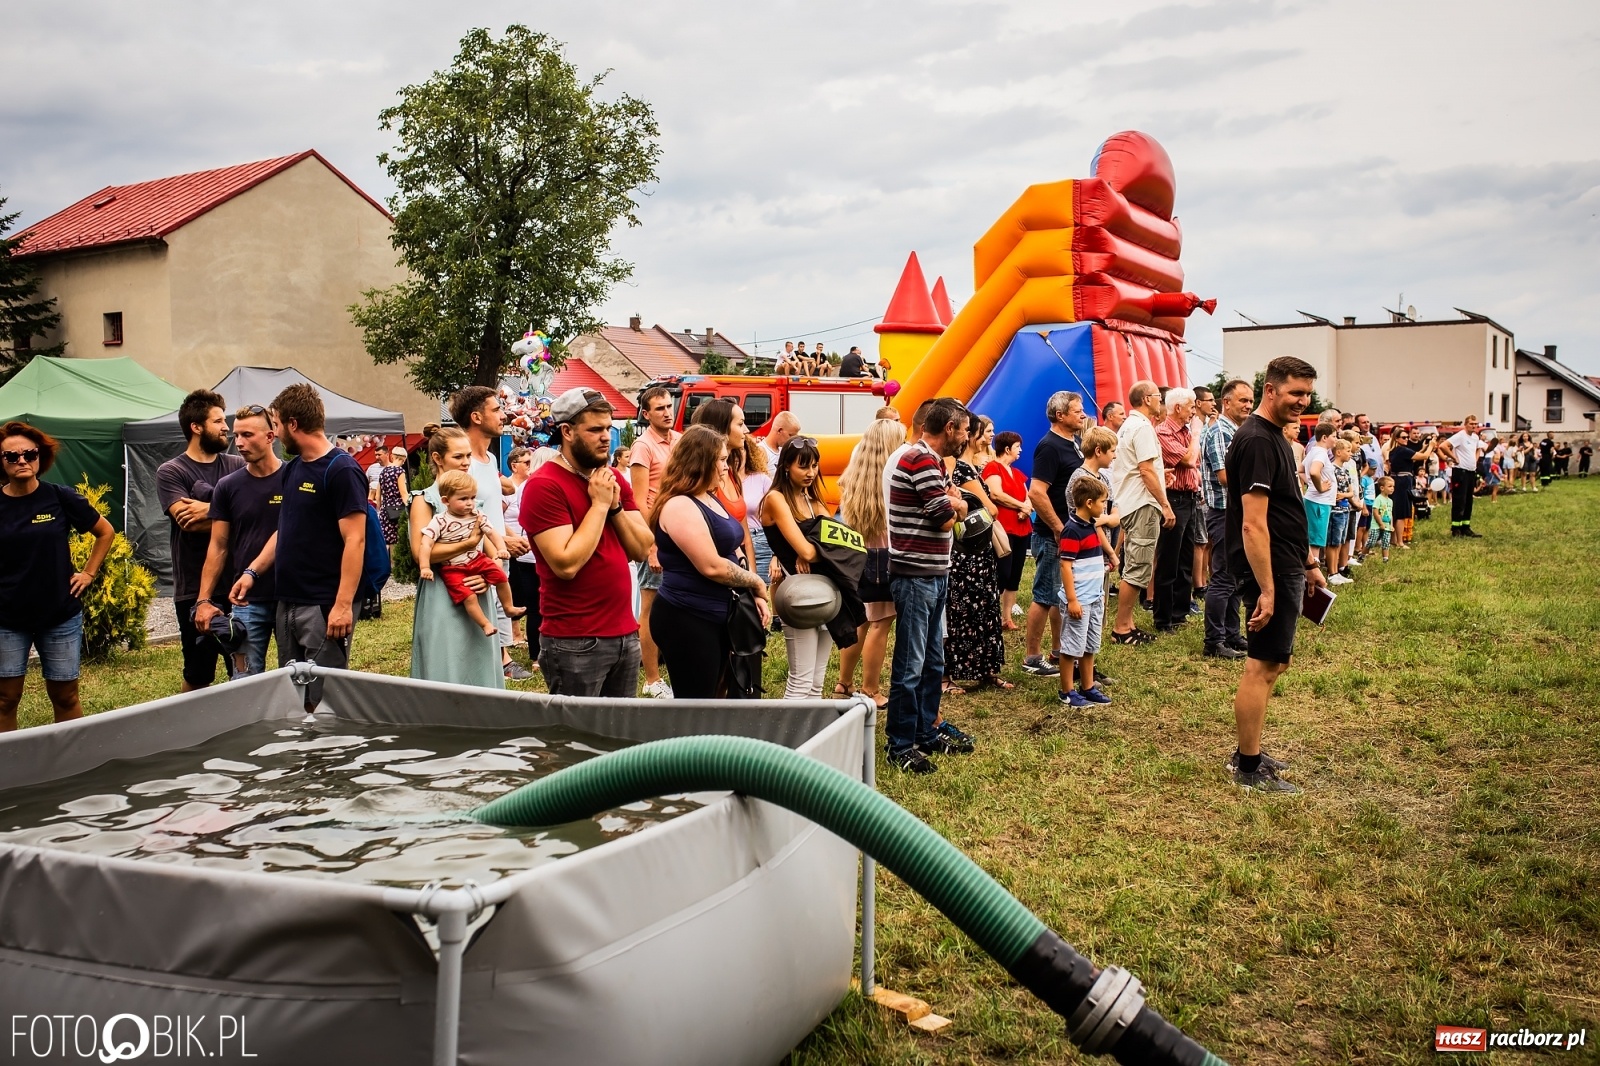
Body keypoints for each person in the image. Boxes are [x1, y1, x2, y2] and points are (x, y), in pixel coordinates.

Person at [1226, 356, 1326, 793]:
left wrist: (1309, 564)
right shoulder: (1258, 442)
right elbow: (1253, 523)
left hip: (1287, 563)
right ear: (1271, 390)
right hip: (1270, 569)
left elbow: (1287, 510)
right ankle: (1248, 767)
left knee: (1275, 661)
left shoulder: (1276, 438)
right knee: (1262, 665)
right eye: (1294, 394)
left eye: (1307, 395)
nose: (1302, 403)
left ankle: (1251, 751)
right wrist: (1267, 588)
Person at [236, 384, 368, 712]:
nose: (275, 434)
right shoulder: (293, 469)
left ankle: (330, 760)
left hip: (323, 606)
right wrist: (253, 571)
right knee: (292, 698)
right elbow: (286, 528)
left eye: (277, 426)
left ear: (293, 424)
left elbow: (356, 540)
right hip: (288, 601)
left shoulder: (341, 470)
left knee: (326, 700)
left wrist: (342, 605)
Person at [521, 388, 654, 697]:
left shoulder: (612, 479)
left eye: (608, 428)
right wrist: (598, 505)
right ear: (567, 431)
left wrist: (615, 508)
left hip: (625, 632)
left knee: (618, 736)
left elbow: (642, 547)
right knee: (576, 741)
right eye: (595, 429)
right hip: (575, 641)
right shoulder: (544, 486)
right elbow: (566, 564)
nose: (606, 437)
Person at [0, 422, 115, 731]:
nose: (22, 460)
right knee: (5, 699)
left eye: (29, 454)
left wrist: (89, 572)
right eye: (11, 456)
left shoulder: (59, 497)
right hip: (7, 619)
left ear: (40, 457)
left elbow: (105, 532)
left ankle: (70, 768)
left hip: (60, 615)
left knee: (65, 697)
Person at [652, 425, 770, 698]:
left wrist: (752, 595)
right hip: (688, 617)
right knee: (698, 705)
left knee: (720, 699)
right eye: (721, 460)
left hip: (720, 614)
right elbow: (711, 566)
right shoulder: (679, 505)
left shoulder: (709, 497)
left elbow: (733, 549)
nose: (726, 467)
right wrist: (756, 583)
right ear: (700, 461)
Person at [885, 398, 971, 774]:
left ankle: (924, 732)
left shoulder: (934, 462)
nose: (967, 436)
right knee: (911, 663)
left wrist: (955, 503)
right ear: (949, 428)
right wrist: (954, 505)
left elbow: (955, 506)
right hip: (916, 574)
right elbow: (943, 518)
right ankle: (900, 745)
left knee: (933, 659)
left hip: (933, 571)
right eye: (965, 429)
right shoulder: (919, 460)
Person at [157, 389, 246, 691]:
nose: (226, 427)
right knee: (198, 673)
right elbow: (188, 522)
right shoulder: (172, 471)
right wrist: (236, 511)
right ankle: (187, 735)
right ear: (196, 427)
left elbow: (256, 512)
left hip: (238, 584)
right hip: (195, 590)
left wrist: (211, 509)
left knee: (245, 667)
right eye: (218, 421)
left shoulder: (237, 465)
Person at [402, 428, 504, 688]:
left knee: (479, 660)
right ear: (437, 458)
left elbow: (492, 552)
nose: (467, 462)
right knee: (444, 662)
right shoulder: (424, 500)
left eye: (468, 455)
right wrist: (468, 544)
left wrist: (489, 575)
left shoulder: (472, 501)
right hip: (441, 593)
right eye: (459, 456)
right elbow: (420, 553)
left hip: (476, 590)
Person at [194, 406, 285, 678]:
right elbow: (218, 546)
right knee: (245, 680)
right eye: (236, 436)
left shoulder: (293, 478)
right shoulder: (228, 486)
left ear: (270, 436)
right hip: (247, 601)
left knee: (296, 678)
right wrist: (202, 600)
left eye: (248, 435)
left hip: (290, 597)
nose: (240, 443)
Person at [450, 387, 533, 680]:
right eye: (496, 409)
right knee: (484, 612)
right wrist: (500, 541)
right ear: (476, 417)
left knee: (498, 608)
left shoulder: (490, 460)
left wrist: (509, 534)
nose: (504, 414)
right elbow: (463, 516)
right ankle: (500, 663)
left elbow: (489, 511)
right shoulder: (463, 463)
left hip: (498, 550)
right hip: (477, 555)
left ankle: (502, 662)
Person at [836, 418, 904, 707]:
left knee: (860, 623)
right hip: (884, 555)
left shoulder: (855, 475)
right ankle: (871, 689)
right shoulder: (890, 477)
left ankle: (844, 682)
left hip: (857, 556)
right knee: (881, 623)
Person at [761, 437, 835, 699]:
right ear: (785, 467)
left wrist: (814, 549)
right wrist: (811, 550)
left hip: (826, 591)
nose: (811, 473)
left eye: (814, 466)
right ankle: (789, 740)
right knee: (801, 681)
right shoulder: (775, 498)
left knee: (817, 681)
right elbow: (806, 551)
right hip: (799, 595)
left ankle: (811, 738)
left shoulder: (813, 500)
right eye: (803, 466)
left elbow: (837, 544)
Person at [1021, 391, 1086, 675]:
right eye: (1077, 410)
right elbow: (1036, 492)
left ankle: (1060, 650)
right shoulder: (1049, 446)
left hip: (1071, 533)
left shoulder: (1075, 443)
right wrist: (1059, 529)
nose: (1083, 414)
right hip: (1052, 536)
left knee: (1062, 595)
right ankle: (1032, 658)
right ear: (1060, 415)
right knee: (1044, 596)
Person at [417, 470, 527, 636]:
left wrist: (501, 549)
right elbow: (426, 544)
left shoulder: (477, 515)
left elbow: (492, 533)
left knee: (501, 577)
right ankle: (485, 624)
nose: (470, 503)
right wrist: (425, 567)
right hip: (453, 568)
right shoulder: (439, 521)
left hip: (478, 560)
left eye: (472, 498)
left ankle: (508, 607)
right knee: (469, 597)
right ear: (446, 501)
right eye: (463, 499)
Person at [944, 411, 1007, 691]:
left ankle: (984, 668)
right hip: (969, 554)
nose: (987, 437)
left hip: (976, 551)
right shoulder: (963, 470)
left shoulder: (970, 467)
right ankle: (967, 669)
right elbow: (990, 508)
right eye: (982, 431)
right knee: (971, 610)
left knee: (981, 608)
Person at [1109, 381, 1173, 646]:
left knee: (1137, 564)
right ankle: (1122, 627)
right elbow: (1146, 470)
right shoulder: (1143, 426)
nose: (1161, 401)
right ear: (1147, 399)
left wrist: (1159, 475)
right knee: (1138, 567)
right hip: (1142, 503)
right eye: (1158, 397)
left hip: (1130, 501)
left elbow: (1141, 468)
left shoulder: (1128, 426)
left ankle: (1129, 623)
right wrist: (1165, 504)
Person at [630, 385, 680, 698]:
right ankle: (651, 679)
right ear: (646, 414)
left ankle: (674, 670)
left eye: (668, 406)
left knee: (675, 606)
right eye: (659, 408)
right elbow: (637, 500)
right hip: (656, 535)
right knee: (650, 608)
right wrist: (651, 545)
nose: (666, 411)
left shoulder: (679, 440)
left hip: (680, 530)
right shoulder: (643, 446)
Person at [1199, 378, 1252, 660]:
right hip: (1222, 513)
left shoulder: (1235, 430)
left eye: (1250, 401)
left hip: (1233, 512)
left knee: (1234, 578)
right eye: (1243, 400)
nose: (1248, 405)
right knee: (1222, 578)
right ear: (1226, 402)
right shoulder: (1221, 431)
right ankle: (1214, 642)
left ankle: (1232, 635)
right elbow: (1223, 476)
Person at [1056, 477, 1113, 708]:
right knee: (1071, 647)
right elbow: (1065, 565)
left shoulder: (1091, 526)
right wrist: (1072, 600)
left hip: (1094, 598)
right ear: (1089, 503)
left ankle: (1087, 686)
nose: (1104, 507)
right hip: (1078, 600)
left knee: (1090, 645)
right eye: (1102, 502)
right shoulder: (1071, 530)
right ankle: (1067, 691)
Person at [1152, 387, 1200, 633]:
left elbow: (1194, 463)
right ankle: (1163, 618)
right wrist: (1196, 437)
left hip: (1189, 499)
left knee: (1185, 558)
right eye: (1191, 406)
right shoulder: (1163, 432)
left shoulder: (1185, 432)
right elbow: (1189, 461)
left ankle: (1179, 612)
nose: (1194, 410)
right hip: (1174, 499)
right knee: (1169, 559)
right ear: (1178, 408)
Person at [983, 431, 1033, 630]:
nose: (1020, 450)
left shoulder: (1017, 472)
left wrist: (1025, 507)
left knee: (1015, 573)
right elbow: (996, 494)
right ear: (1007, 449)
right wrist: (1021, 505)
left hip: (1021, 527)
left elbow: (1027, 496)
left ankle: (1006, 617)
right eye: (1017, 447)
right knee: (1001, 572)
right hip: (1004, 528)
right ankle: (992, 614)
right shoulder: (993, 468)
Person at [503, 446, 543, 663]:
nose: (529, 466)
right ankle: (534, 653)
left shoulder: (530, 485)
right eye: (525, 462)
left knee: (535, 602)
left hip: (531, 550)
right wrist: (512, 538)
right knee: (528, 601)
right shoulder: (509, 489)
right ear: (514, 466)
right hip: (518, 550)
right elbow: (495, 518)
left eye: (531, 461)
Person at [1385, 427, 1433, 547]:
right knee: (1401, 513)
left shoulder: (1393, 451)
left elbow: (1414, 456)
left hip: (1396, 480)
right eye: (1404, 437)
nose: (1406, 439)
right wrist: (1431, 446)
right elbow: (1424, 457)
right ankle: (1400, 542)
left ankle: (1394, 539)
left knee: (1395, 512)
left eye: (1407, 437)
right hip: (1403, 482)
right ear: (1396, 439)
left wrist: (1424, 447)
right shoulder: (1403, 450)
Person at [1440, 415, 1485, 537]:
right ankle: (1456, 528)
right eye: (1471, 423)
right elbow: (1443, 446)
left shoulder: (1475, 437)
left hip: (1471, 471)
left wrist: (1475, 460)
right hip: (1460, 471)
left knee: (1469, 500)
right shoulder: (1460, 436)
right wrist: (1454, 457)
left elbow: (1478, 449)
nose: (1474, 426)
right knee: (1460, 500)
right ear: (1465, 424)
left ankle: (1466, 526)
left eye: (1475, 424)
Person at [1325, 438, 1359, 584]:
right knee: (1333, 542)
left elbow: (1350, 492)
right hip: (1335, 511)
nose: (1350, 454)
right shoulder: (1331, 469)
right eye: (1348, 450)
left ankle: (1337, 571)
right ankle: (1331, 573)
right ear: (1338, 452)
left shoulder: (1345, 470)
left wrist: (1344, 495)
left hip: (1345, 508)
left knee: (1339, 541)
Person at [376, 445, 408, 547]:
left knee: (387, 542)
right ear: (403, 459)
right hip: (397, 510)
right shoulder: (400, 471)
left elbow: (378, 495)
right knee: (399, 541)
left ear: (392, 457)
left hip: (385, 510)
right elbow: (404, 494)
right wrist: (410, 507)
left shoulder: (383, 472)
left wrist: (380, 509)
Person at [1371, 477, 1394, 563]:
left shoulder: (1390, 501)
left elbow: (1390, 513)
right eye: (1390, 486)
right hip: (1377, 525)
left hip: (1387, 525)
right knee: (1371, 542)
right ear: (1382, 488)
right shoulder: (1378, 499)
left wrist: (1391, 525)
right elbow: (1375, 512)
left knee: (1386, 542)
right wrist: (1380, 523)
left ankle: (1385, 559)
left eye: (1393, 486)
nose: (1392, 488)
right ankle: (1362, 554)